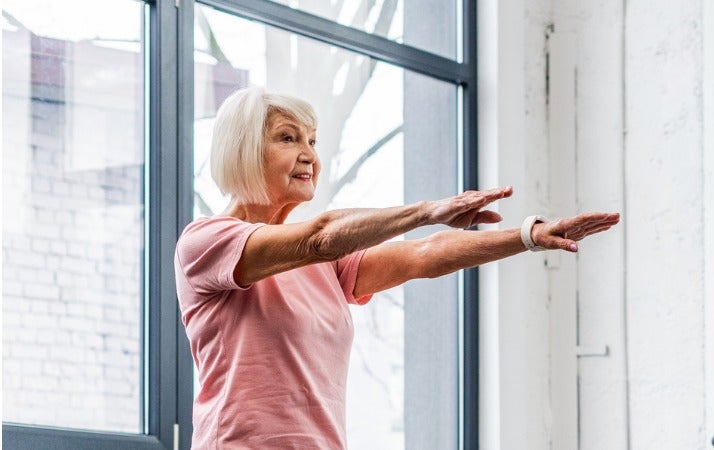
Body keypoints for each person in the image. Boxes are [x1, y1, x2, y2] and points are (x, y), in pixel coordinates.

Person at [174, 87, 620, 449]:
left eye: (313, 140)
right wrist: (428, 210)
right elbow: (321, 236)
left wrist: (527, 235)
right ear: (243, 149)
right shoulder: (207, 242)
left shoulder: (321, 265)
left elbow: (422, 256)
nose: (309, 153)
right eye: (288, 138)